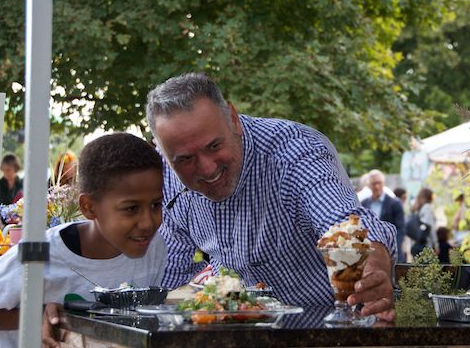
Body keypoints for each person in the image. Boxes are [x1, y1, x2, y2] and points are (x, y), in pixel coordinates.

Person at [146, 72, 397, 319]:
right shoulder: (165, 175)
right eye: (185, 159)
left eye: (214, 146)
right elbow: (168, 273)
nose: (207, 168)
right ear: (164, 152)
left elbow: (340, 221)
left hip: (331, 331)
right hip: (242, 333)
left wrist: (372, 260)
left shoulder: (295, 151)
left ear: (233, 118)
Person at [0, 133, 166, 348]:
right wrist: (35, 316)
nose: (148, 222)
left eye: (156, 205)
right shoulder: (40, 254)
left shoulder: (153, 248)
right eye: (131, 208)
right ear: (89, 207)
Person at [361, 170, 406, 262]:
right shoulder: (364, 204)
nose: (377, 187)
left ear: (383, 184)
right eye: (374, 183)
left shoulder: (394, 203)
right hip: (370, 255)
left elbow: (401, 229)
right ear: (369, 185)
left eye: (379, 183)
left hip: (390, 253)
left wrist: (393, 249)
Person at [408, 187, 438, 258]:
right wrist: (436, 244)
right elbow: (430, 227)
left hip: (415, 245)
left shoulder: (416, 210)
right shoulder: (427, 208)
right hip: (426, 245)